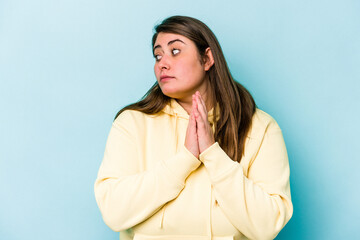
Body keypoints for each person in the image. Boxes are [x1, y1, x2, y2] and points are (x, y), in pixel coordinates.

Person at [94, 15, 293, 240]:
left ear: (207, 58)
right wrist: (185, 159)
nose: (162, 63)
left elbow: (268, 224)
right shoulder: (131, 123)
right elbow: (113, 211)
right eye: (157, 55)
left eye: (175, 51)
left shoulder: (260, 127)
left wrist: (212, 154)